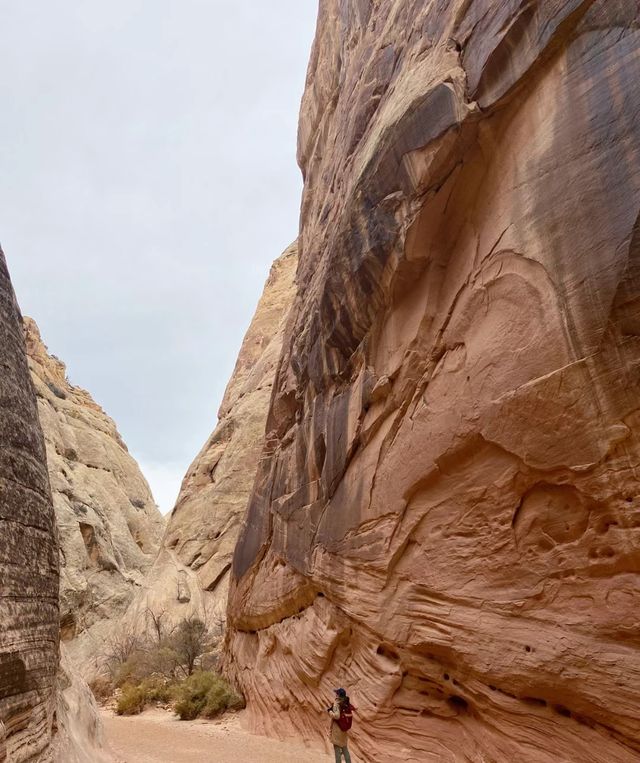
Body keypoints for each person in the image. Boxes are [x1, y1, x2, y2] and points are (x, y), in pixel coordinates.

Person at [327, 687, 353, 763]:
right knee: (345, 749)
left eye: (336, 693)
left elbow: (337, 716)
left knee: (337, 750)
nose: (335, 694)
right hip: (344, 730)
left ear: (338, 695)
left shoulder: (337, 703)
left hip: (337, 730)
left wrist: (330, 712)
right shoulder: (346, 702)